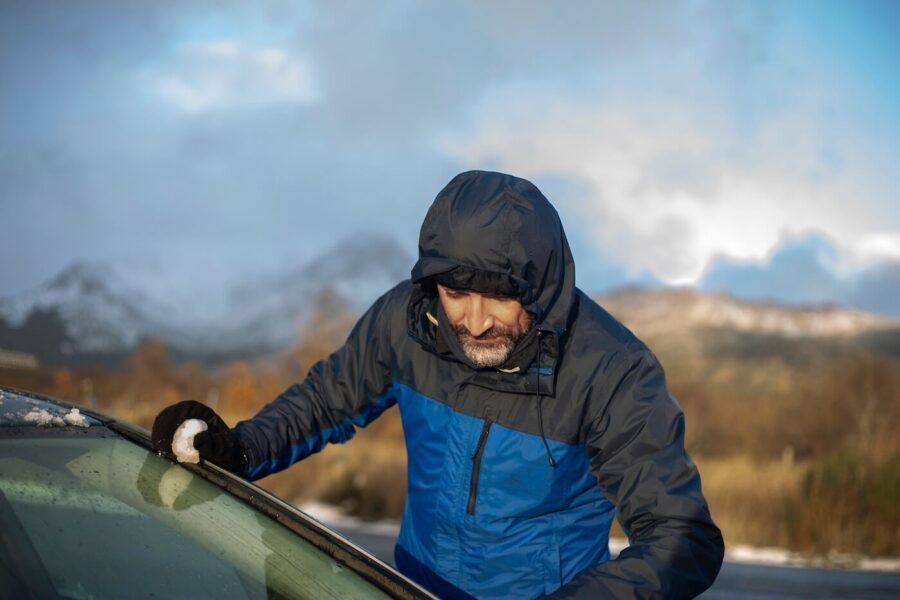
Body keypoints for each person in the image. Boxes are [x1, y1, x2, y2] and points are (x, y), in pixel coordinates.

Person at [152, 170, 725, 599]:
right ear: (433, 286)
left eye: (500, 295)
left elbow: (681, 538)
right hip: (411, 586)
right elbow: (328, 400)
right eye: (456, 294)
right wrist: (241, 447)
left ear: (541, 285)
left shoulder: (611, 368)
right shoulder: (406, 323)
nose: (475, 323)